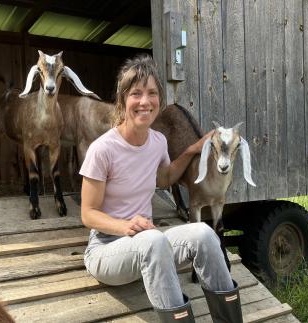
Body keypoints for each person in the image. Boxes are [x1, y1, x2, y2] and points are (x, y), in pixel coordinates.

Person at [79, 54, 243, 323]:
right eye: (136, 93)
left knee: (204, 233)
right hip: (106, 250)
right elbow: (88, 214)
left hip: (147, 243)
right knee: (153, 241)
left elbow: (164, 178)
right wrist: (125, 226)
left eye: (152, 93)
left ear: (159, 101)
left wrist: (192, 149)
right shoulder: (102, 150)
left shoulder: (156, 142)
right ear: (123, 100)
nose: (145, 101)